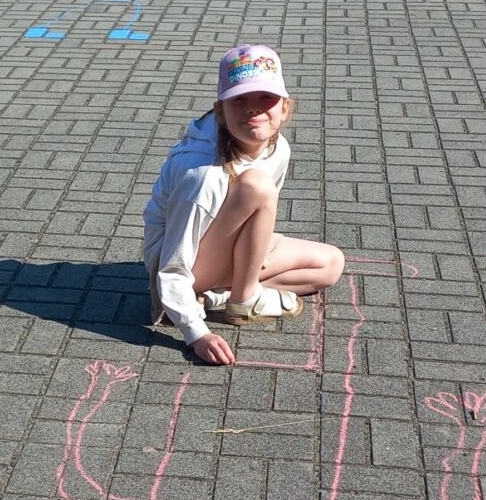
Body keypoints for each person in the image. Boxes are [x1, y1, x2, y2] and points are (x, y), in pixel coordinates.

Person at [142, 45, 346, 366]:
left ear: (285, 108)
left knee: (330, 264)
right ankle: (243, 300)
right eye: (239, 99)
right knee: (257, 187)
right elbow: (172, 267)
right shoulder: (202, 176)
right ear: (220, 111)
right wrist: (196, 334)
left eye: (266, 98)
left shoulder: (278, 147)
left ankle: (218, 297)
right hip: (185, 266)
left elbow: (255, 217)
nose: (253, 109)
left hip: (220, 249)